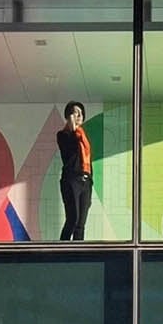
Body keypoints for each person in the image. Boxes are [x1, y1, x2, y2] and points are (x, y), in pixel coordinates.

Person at [56, 99, 93, 241]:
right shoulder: (63, 135)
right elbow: (69, 152)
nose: (78, 116)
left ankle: (79, 252)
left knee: (81, 223)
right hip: (71, 180)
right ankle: (62, 249)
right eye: (74, 113)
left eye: (80, 114)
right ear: (67, 116)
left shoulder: (83, 136)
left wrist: (90, 181)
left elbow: (88, 160)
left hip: (85, 181)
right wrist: (72, 128)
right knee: (73, 218)